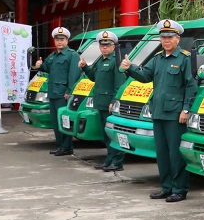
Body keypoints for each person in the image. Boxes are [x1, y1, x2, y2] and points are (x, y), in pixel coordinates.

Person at [122, 19, 196, 202]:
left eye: (170, 37)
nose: (166, 41)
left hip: (175, 114)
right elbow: (145, 76)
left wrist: (186, 110)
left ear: (178, 39)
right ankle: (166, 187)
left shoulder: (184, 59)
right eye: (163, 37)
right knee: (162, 153)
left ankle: (179, 189)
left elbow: (191, 86)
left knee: (176, 154)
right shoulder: (158, 59)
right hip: (158, 112)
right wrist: (129, 68)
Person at [80, 30, 125, 172]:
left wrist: (114, 101)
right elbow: (94, 76)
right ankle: (109, 160)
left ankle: (117, 162)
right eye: (102, 45)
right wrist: (85, 67)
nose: (104, 47)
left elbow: (119, 85)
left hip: (109, 104)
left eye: (108, 45)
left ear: (113, 46)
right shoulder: (101, 59)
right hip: (100, 102)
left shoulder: (115, 61)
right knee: (106, 135)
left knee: (113, 134)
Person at [35, 26, 82, 156]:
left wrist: (69, 91)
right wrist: (40, 65)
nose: (59, 42)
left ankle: (67, 146)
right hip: (53, 93)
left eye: (62, 39)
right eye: (57, 39)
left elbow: (74, 75)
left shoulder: (72, 55)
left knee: (64, 120)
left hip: (63, 94)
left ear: (67, 40)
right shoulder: (53, 55)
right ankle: (60, 145)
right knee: (56, 122)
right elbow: (46, 68)